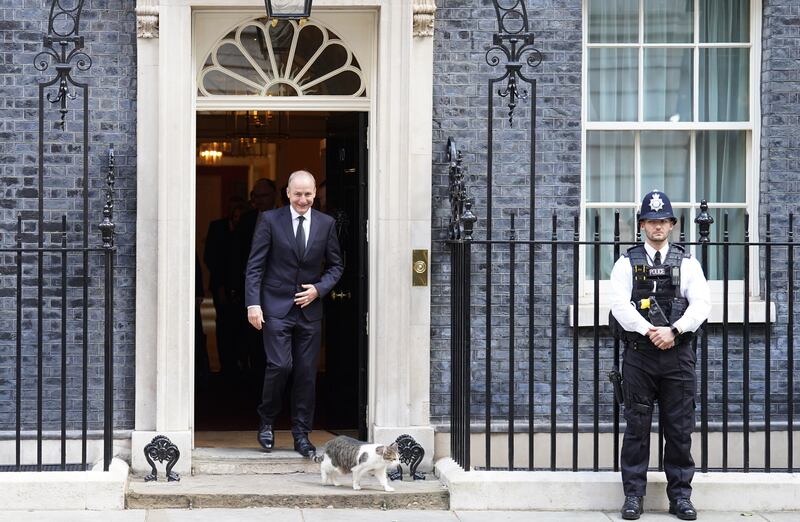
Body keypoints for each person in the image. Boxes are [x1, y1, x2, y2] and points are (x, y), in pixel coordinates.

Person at [609, 190, 710, 521]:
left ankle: (680, 496)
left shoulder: (688, 263)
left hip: (678, 357)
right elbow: (619, 305)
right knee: (637, 428)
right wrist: (649, 331)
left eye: (662, 221)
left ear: (672, 225)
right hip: (639, 355)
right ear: (642, 225)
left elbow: (702, 305)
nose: (657, 227)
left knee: (679, 430)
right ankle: (634, 496)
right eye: (651, 221)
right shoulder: (626, 263)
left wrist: (674, 331)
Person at [245, 170, 343, 457]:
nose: (303, 200)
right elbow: (255, 265)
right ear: (287, 193)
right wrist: (254, 304)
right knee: (280, 366)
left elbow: (336, 266)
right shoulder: (270, 220)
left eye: (308, 194)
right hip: (275, 308)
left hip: (309, 311)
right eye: (298, 194)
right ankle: (267, 420)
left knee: (306, 374)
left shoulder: (326, 224)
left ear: (315, 193)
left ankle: (302, 435)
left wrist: (318, 289)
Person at [204, 198, 247, 376]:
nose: (237, 219)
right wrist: (220, 286)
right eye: (235, 215)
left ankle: (241, 362)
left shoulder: (246, 229)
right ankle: (226, 365)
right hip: (221, 283)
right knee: (223, 323)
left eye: (241, 216)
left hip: (242, 285)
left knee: (241, 325)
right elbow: (210, 256)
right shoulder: (218, 227)